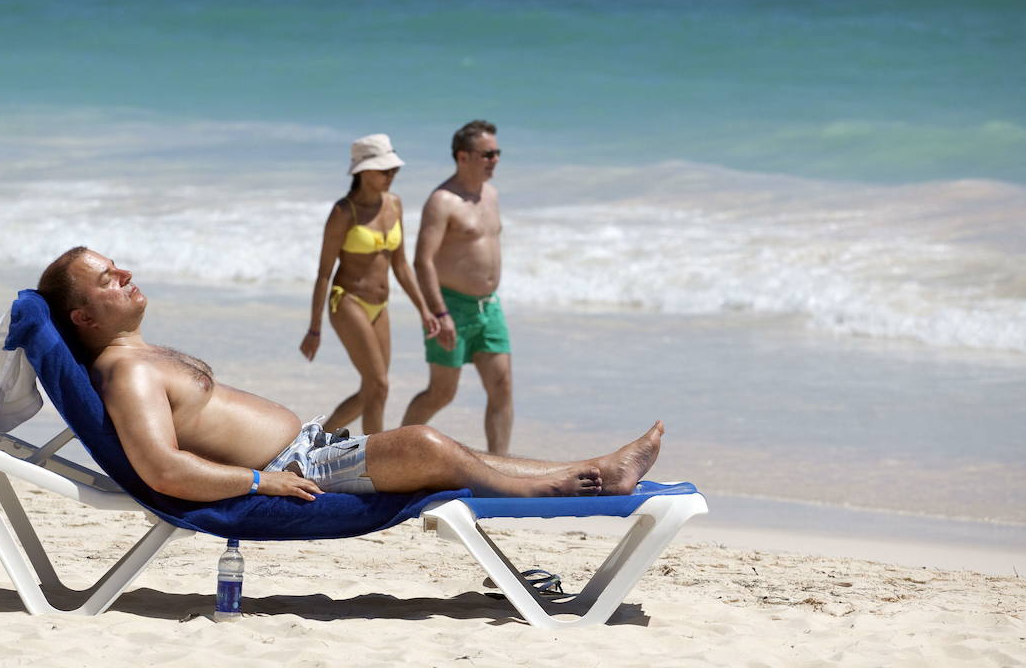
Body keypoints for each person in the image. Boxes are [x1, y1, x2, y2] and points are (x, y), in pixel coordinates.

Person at [37, 246, 665, 502]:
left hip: (310, 451)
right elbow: (161, 469)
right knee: (424, 442)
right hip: (295, 471)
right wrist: (259, 483)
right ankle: (553, 490)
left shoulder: (140, 358)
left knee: (459, 452)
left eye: (117, 266)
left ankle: (589, 472)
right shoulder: (127, 374)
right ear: (82, 315)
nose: (123, 275)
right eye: (106, 279)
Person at [299, 134, 437, 436]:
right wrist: (314, 328)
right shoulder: (343, 212)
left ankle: (322, 440)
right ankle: (371, 457)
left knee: (376, 390)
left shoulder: (395, 204)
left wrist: (424, 311)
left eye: (393, 170)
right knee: (379, 384)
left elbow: (400, 265)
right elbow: (323, 273)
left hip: (380, 306)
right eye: (384, 170)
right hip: (347, 301)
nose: (392, 175)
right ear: (363, 171)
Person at [401, 120, 512, 454]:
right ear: (463, 157)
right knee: (441, 392)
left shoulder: (490, 194)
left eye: (497, 153)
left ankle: (500, 466)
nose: (494, 160)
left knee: (502, 387)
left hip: (489, 307)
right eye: (487, 154)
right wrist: (440, 312)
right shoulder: (442, 201)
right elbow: (423, 261)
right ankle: (397, 450)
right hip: (451, 307)